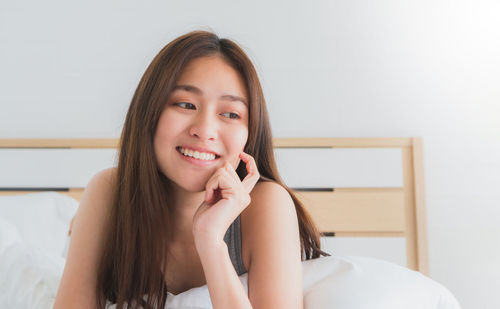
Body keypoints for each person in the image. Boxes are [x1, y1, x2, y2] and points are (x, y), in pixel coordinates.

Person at [53, 30, 330, 309]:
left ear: (250, 133)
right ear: (149, 114)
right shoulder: (109, 193)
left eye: (230, 114)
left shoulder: (267, 204)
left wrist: (211, 242)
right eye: (186, 105)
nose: (205, 130)